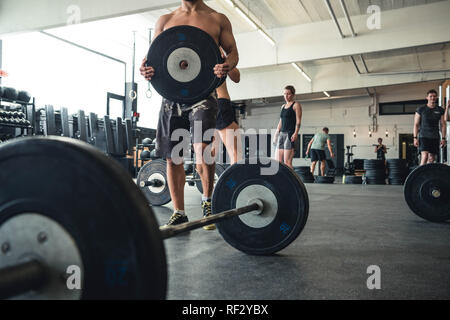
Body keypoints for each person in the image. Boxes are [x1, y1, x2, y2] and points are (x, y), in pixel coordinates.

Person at [140, 0, 239, 228]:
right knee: (172, 155)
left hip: (204, 95)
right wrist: (146, 69)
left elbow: (233, 52)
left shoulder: (217, 19)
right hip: (171, 97)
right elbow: (153, 57)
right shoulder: (164, 21)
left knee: (201, 148)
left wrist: (227, 65)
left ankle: (207, 200)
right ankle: (179, 212)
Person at [413, 89, 446, 165]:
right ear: (427, 97)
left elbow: (443, 124)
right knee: (424, 157)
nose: (432, 98)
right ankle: (420, 175)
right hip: (424, 136)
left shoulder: (440, 110)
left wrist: (443, 138)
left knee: (431, 159)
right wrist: (415, 138)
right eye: (430, 96)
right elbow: (416, 124)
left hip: (435, 136)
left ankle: (428, 175)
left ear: (436, 97)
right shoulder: (421, 109)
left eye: (434, 96)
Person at [273, 85, 302, 168]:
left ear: (293, 95)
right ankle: (279, 180)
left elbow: (298, 121)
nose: (286, 96)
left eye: (288, 94)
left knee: (287, 162)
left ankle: (291, 181)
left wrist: (296, 133)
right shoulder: (283, 106)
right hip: (282, 134)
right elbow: (281, 121)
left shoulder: (296, 105)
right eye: (285, 94)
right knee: (277, 161)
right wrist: (276, 133)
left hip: (290, 134)